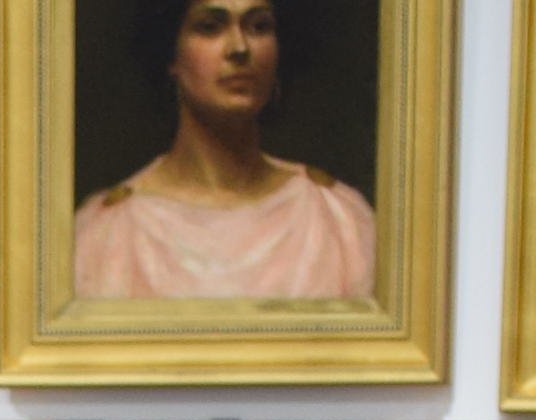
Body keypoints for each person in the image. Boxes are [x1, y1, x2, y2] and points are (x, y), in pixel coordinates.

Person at [74, 0, 380, 303]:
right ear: (171, 55)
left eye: (259, 26)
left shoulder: (338, 218)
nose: (239, 48)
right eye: (210, 27)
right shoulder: (109, 232)